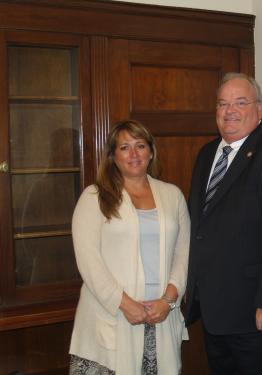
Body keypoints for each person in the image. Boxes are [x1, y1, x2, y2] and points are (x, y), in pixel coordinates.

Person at [185, 72, 262, 375]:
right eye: (222, 104)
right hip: (215, 310)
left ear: (260, 108)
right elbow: (201, 228)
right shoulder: (206, 154)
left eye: (240, 102)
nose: (230, 111)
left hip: (258, 314)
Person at [69, 120, 190, 375]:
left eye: (140, 146)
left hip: (161, 318)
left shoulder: (173, 195)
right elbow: (89, 262)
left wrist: (168, 300)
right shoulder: (94, 197)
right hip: (111, 317)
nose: (134, 154)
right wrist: (124, 303)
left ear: (151, 151)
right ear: (113, 155)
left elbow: (184, 253)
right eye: (125, 147)